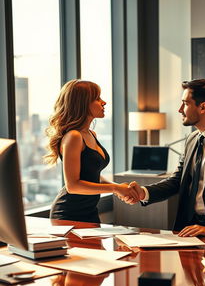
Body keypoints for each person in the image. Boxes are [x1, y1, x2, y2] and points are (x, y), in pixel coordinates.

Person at [124, 79, 205, 238]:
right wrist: (143, 193)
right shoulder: (192, 139)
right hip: (190, 228)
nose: (180, 109)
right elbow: (177, 181)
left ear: (203, 107)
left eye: (185, 103)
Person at [45, 79, 137, 223]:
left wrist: (119, 188)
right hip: (68, 213)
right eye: (97, 98)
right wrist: (115, 189)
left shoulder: (90, 134)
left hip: (90, 211)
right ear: (82, 104)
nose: (104, 102)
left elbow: (92, 175)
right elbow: (73, 186)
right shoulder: (74, 136)